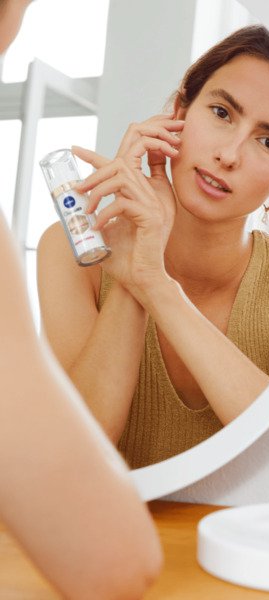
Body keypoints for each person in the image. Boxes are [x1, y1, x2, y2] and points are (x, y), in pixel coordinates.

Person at [38, 25, 269, 468]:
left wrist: (153, 282)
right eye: (221, 113)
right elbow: (76, 454)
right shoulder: (73, 250)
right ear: (179, 111)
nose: (229, 154)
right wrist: (131, 266)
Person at [0, 1, 162, 598]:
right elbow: (114, 563)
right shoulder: (63, 250)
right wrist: (137, 282)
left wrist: (151, 278)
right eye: (220, 113)